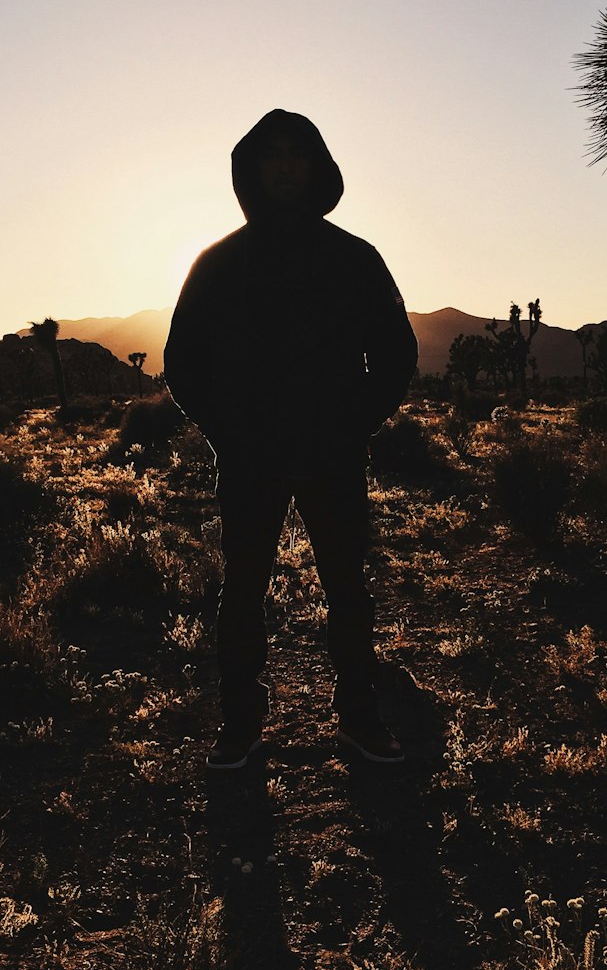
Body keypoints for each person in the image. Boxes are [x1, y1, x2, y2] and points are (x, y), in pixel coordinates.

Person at [164, 109, 418, 770]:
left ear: (317, 166)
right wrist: (229, 433)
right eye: (270, 154)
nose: (283, 165)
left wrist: (351, 424)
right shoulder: (217, 264)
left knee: (347, 589)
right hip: (251, 460)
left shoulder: (356, 260)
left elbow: (395, 355)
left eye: (296, 154)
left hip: (333, 454)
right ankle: (240, 724)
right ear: (250, 168)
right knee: (242, 592)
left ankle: (359, 717)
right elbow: (181, 363)